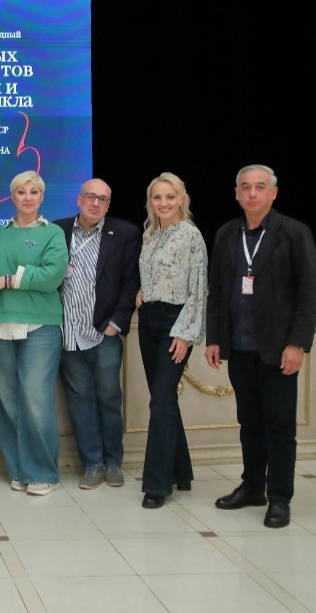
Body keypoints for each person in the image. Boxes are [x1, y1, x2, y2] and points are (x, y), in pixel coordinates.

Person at [205, 165, 316, 528]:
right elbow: (217, 291)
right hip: (239, 347)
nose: (252, 193)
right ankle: (253, 486)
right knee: (249, 423)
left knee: (280, 426)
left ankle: (279, 498)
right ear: (237, 194)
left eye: (259, 187)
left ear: (273, 193)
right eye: (245, 187)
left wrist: (297, 344)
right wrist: (214, 338)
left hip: (278, 349)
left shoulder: (294, 233)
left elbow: (308, 295)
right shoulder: (226, 234)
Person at [0, 171, 68, 496]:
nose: (27, 197)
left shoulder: (53, 233)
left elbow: (52, 275)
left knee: (35, 400)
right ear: (12, 196)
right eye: (21, 192)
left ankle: (44, 473)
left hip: (40, 325)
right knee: (10, 403)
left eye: (33, 192)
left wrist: (7, 281)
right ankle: (19, 470)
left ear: (42, 197)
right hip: (0, 325)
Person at [55, 179, 141, 490]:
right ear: (78, 199)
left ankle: (114, 462)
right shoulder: (58, 230)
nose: (96, 203)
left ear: (108, 205)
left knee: (109, 398)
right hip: (68, 334)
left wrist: (115, 324)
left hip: (104, 333)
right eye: (91, 197)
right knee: (80, 402)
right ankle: (92, 465)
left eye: (103, 199)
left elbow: (131, 282)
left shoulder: (125, 233)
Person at [136, 172, 208, 509]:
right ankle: (182, 471)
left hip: (174, 322)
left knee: (161, 402)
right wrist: (142, 291)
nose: (163, 203)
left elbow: (198, 289)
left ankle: (157, 485)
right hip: (149, 320)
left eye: (169, 196)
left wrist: (185, 333)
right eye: (157, 197)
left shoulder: (191, 235)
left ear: (181, 199)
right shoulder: (150, 234)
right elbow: (155, 275)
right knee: (163, 399)